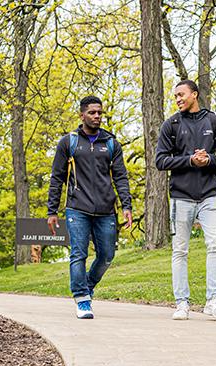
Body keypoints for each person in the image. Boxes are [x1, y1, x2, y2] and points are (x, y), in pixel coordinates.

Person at [47, 96, 133, 319]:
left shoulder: (111, 143)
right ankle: (82, 299)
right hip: (77, 208)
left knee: (107, 255)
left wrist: (126, 205)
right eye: (92, 112)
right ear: (82, 115)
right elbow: (57, 178)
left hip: (106, 209)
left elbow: (121, 177)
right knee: (79, 254)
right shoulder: (69, 142)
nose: (97, 116)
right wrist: (52, 211)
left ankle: (87, 285)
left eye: (99, 113)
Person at [155, 80, 216, 320]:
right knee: (180, 251)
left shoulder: (215, 122)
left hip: (210, 195)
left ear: (195, 94)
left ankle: (213, 300)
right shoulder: (171, 125)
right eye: (175, 95)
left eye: (181, 94)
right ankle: (182, 303)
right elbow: (161, 161)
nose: (178, 99)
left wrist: (209, 159)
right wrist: (189, 160)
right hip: (181, 197)